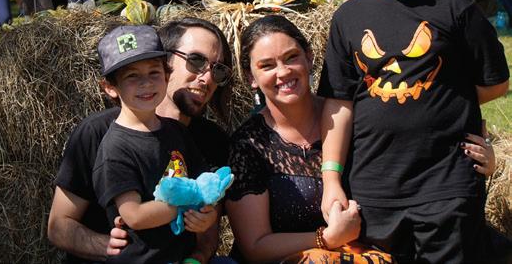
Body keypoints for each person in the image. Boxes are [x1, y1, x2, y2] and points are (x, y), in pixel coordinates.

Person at [318, 0, 509, 263]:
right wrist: (331, 180)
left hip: (447, 187)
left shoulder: (456, 8)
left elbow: (496, 83)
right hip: (372, 190)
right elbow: (339, 105)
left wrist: (444, 100)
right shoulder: (348, 18)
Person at [48, 17, 233, 264]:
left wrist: (198, 250)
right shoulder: (98, 134)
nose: (207, 77)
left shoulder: (211, 139)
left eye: (218, 70)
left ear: (163, 73)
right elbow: (58, 227)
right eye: (196, 61)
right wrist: (109, 247)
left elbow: (207, 233)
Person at [226, 15, 365, 263]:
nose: (283, 72)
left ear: (309, 57)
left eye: (291, 57)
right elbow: (254, 247)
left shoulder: (348, 119)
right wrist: (327, 238)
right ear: (250, 77)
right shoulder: (248, 144)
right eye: (267, 66)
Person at [90, 24, 219, 263]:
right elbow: (134, 215)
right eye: (132, 76)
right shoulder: (115, 147)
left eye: (154, 73)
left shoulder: (177, 132)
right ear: (110, 87)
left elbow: (202, 186)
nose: (146, 83)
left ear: (167, 76)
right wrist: (185, 205)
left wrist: (207, 216)